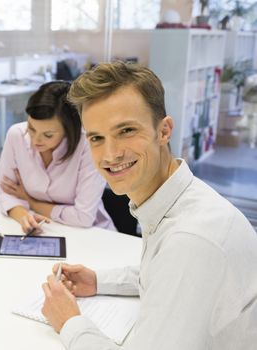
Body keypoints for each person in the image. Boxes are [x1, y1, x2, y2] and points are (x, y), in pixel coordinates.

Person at [41, 62, 257, 349]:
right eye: (96, 138)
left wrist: (68, 321)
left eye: (127, 130)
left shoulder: (191, 240)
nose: (111, 154)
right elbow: (164, 272)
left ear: (164, 130)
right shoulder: (178, 202)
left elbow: (180, 261)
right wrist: (98, 281)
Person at [0, 81, 115, 234]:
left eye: (48, 135)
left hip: (91, 234)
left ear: (68, 129)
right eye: (31, 128)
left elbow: (83, 217)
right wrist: (23, 216)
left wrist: (31, 202)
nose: (36, 140)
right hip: (41, 229)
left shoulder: (88, 145)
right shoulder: (16, 135)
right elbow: (5, 191)